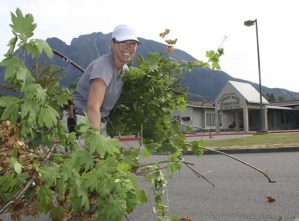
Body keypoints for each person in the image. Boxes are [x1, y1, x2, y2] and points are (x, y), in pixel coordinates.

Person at [70, 24, 140, 137]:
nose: (128, 47)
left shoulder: (125, 71)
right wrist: (97, 142)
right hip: (81, 122)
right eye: (123, 42)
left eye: (132, 43)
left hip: (99, 122)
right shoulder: (103, 67)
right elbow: (93, 107)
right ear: (112, 43)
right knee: (92, 154)